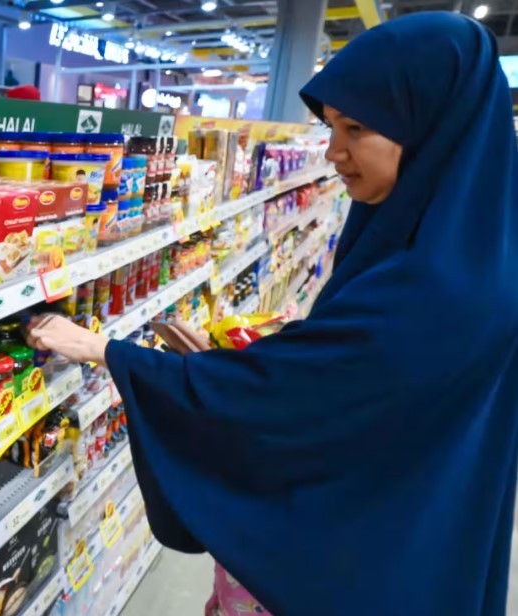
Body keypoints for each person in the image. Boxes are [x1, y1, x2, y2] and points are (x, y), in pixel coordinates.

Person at [26, 13, 518, 615]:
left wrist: (108, 353)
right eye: (331, 125)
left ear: (433, 127)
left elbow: (305, 396)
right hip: (407, 539)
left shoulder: (442, 290)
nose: (333, 152)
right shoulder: (463, 246)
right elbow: (360, 380)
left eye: (357, 127)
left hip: (366, 566)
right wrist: (238, 360)